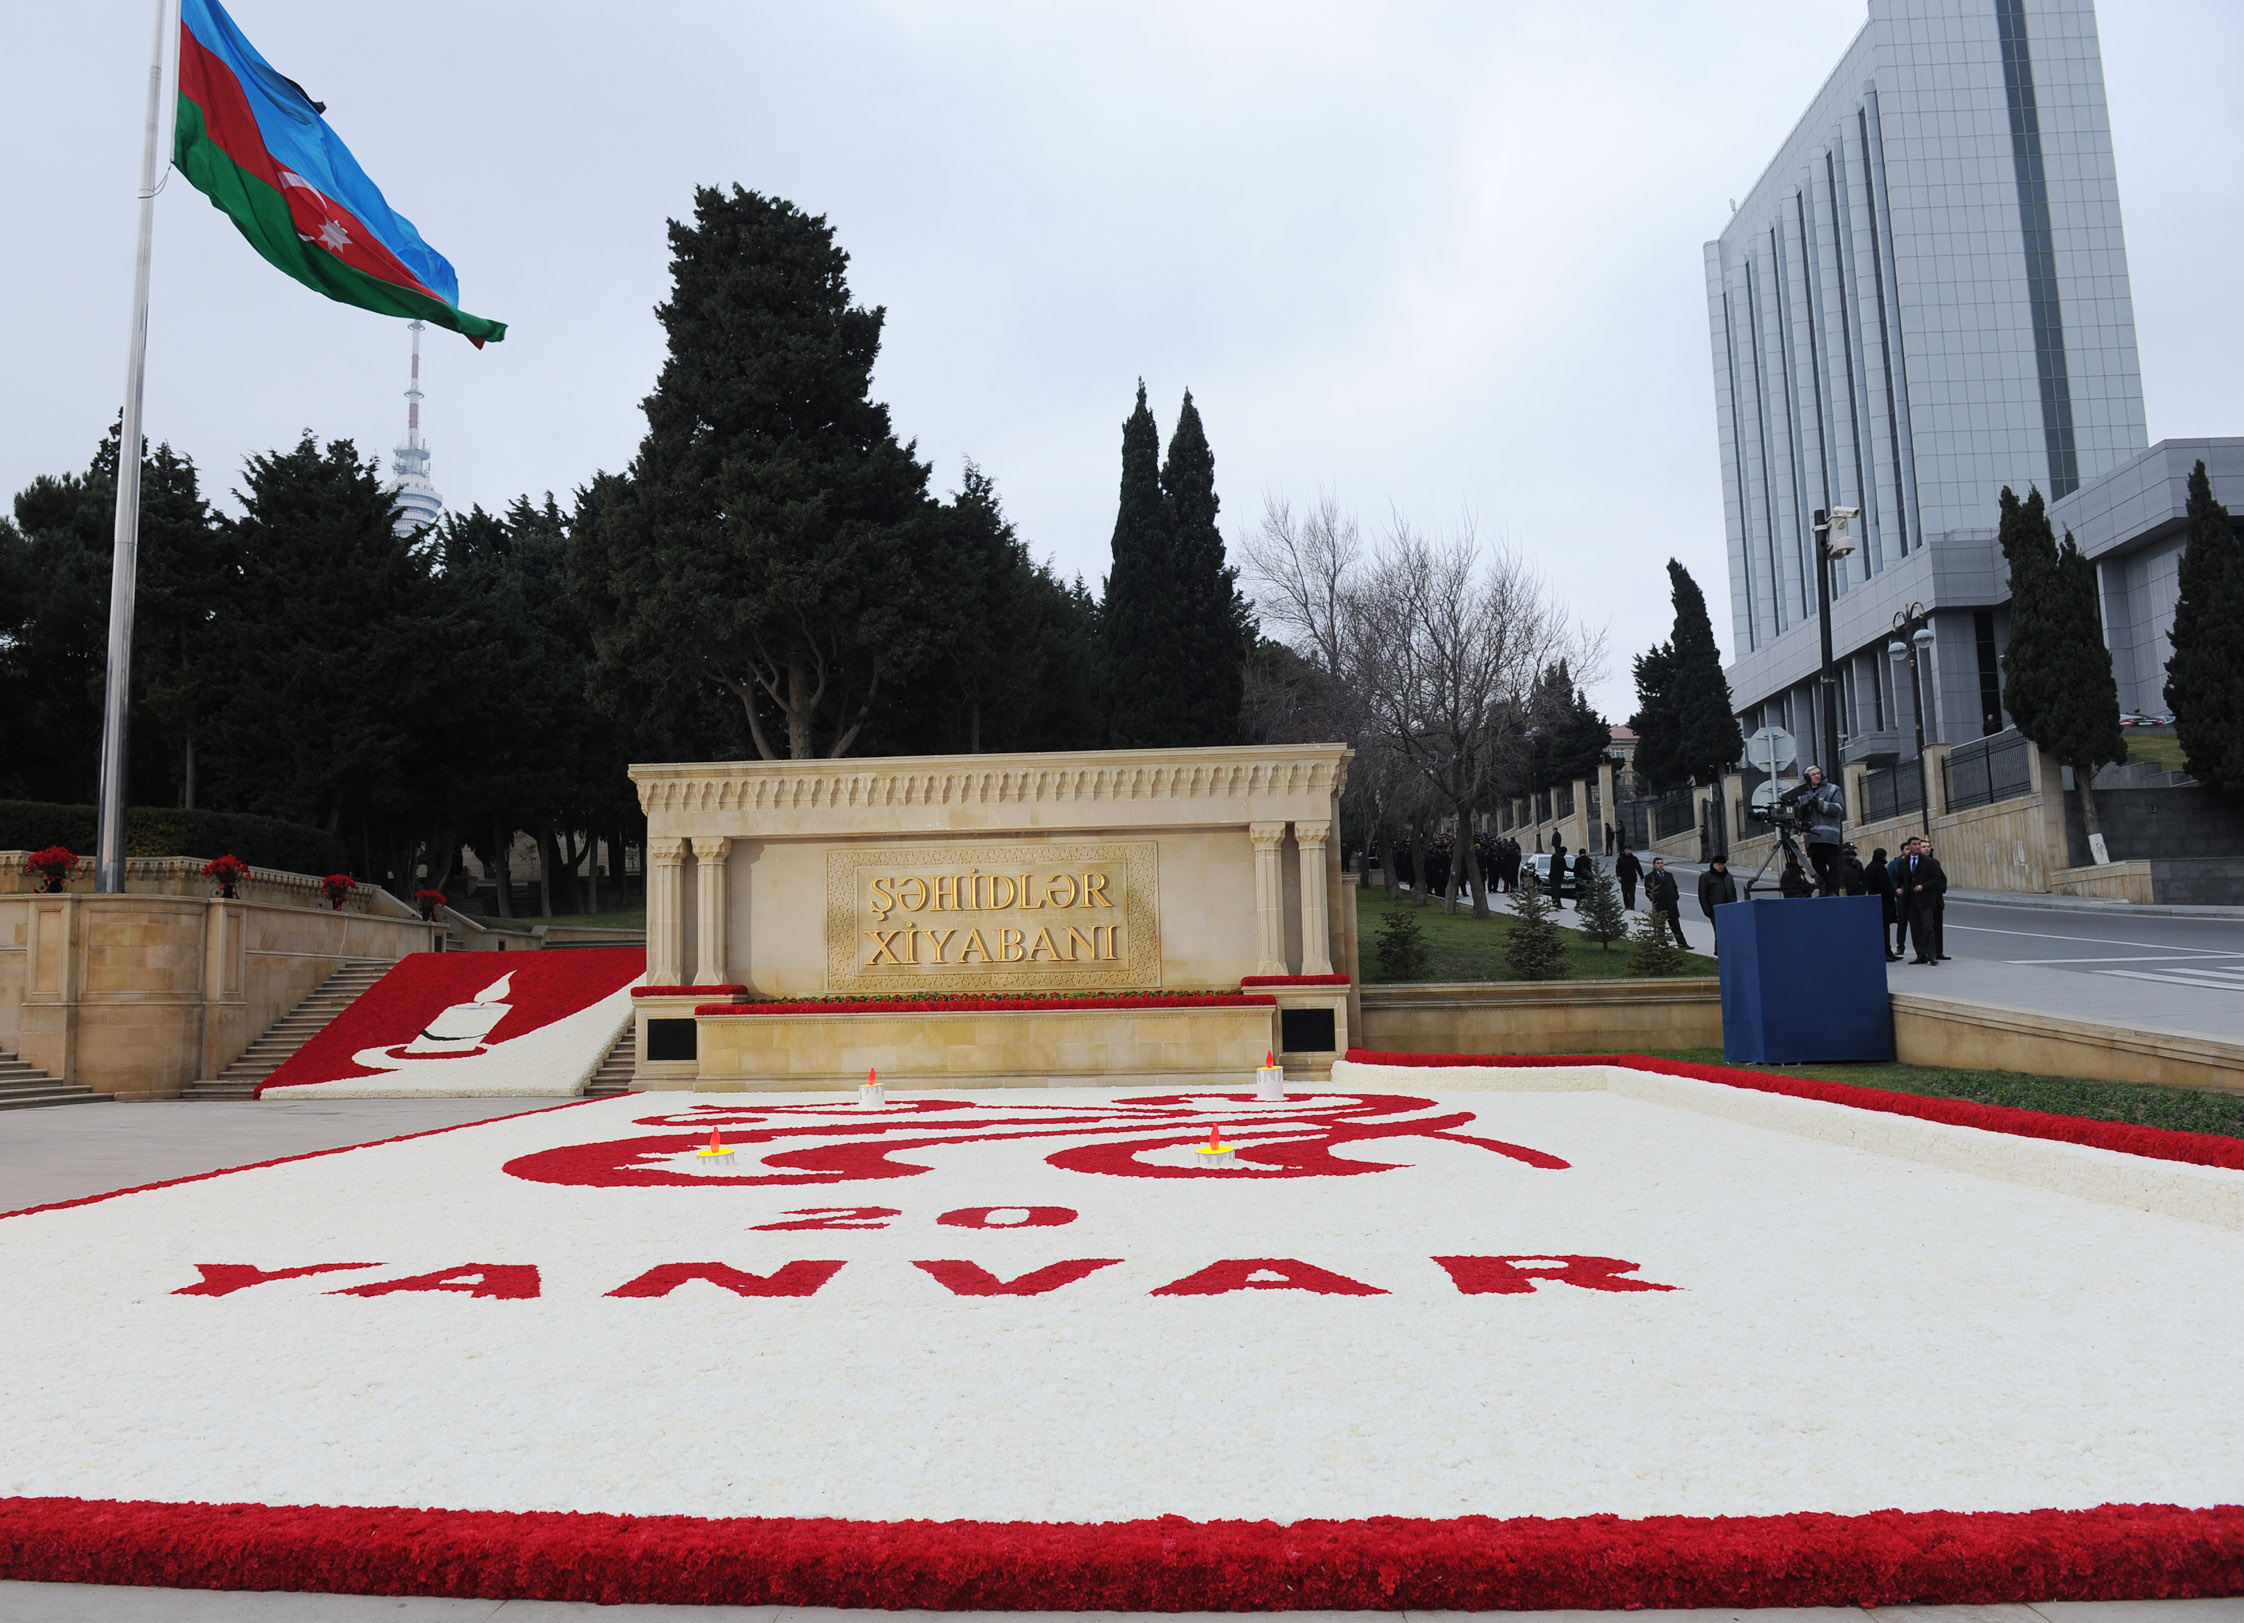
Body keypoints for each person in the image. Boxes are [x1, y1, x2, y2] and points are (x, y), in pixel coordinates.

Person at [1791, 764, 1846, 894]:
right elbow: (1798, 815)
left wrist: (1819, 805)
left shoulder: (1832, 789)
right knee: (1818, 868)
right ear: (1807, 777)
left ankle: (1833, 892)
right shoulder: (1802, 794)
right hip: (1812, 839)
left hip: (1830, 837)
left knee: (1833, 866)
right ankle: (1823, 890)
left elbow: (1838, 808)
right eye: (1813, 774)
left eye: (1818, 773)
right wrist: (1801, 812)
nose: (1817, 776)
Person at [1892, 837, 1945, 964]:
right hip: (1910, 900)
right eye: (1914, 844)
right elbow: (1897, 879)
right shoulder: (1903, 863)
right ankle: (1920, 954)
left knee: (1928, 927)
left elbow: (1936, 879)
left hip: (1926, 900)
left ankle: (1931, 955)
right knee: (1915, 929)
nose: (1917, 846)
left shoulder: (1929, 862)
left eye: (1918, 844)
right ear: (1909, 847)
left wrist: (1924, 886)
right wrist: (1897, 888)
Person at [1864, 845, 1901, 961]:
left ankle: (1888, 952)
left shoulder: (1869, 867)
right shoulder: (1880, 868)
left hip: (1874, 902)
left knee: (1882, 929)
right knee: (1884, 930)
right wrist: (1893, 893)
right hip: (1883, 903)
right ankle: (1886, 952)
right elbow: (1886, 886)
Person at [1645, 856, 1687, 948]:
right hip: (1660, 905)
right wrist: (1655, 900)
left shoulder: (1669, 875)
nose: (1660, 865)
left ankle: (1682, 944)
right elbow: (1648, 891)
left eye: (1661, 863)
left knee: (1676, 926)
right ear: (1654, 865)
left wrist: (1675, 896)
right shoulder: (1650, 877)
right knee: (1661, 926)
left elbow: (1674, 887)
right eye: (1658, 863)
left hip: (1671, 905)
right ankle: (1663, 944)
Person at [1697, 857, 1737, 945]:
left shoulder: (1728, 876)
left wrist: (1734, 906)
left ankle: (1725, 950)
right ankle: (1719, 951)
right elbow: (1702, 895)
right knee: (1719, 931)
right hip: (1715, 909)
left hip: (1729, 908)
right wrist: (1708, 910)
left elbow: (1733, 892)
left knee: (1729, 931)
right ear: (1713, 865)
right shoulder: (1706, 877)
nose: (1720, 867)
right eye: (1718, 865)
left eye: (1722, 865)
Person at [1923, 839, 1952, 960]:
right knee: (1927, 927)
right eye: (1924, 846)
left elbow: (1942, 878)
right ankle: (1929, 952)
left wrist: (1941, 888)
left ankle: (1939, 951)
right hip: (1925, 901)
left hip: (1937, 900)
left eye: (1928, 846)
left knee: (1938, 927)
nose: (1927, 849)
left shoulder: (1935, 862)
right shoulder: (1918, 864)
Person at [1614, 846, 1643, 910]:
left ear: (1631, 850)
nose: (1627, 851)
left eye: (1629, 850)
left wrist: (1642, 876)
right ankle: (1627, 905)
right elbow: (1618, 868)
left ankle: (1632, 906)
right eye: (1626, 850)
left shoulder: (1634, 859)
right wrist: (1618, 876)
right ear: (1624, 850)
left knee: (1632, 893)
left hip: (1632, 879)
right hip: (1624, 879)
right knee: (1625, 893)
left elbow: (1638, 868)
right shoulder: (1620, 859)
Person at [1548, 833, 1568, 909]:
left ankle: (1554, 902)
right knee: (1557, 891)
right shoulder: (1561, 858)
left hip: (1552, 876)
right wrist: (1574, 870)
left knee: (1553, 890)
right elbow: (1564, 867)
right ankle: (1558, 904)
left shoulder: (1554, 856)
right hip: (1558, 877)